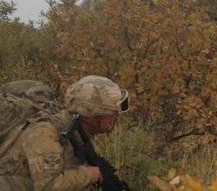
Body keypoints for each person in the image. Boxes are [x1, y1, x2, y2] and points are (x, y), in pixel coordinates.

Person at [0, 75, 129, 190]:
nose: (115, 115)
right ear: (91, 116)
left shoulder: (79, 135)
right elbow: (49, 186)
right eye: (111, 111)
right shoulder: (45, 133)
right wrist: (90, 174)